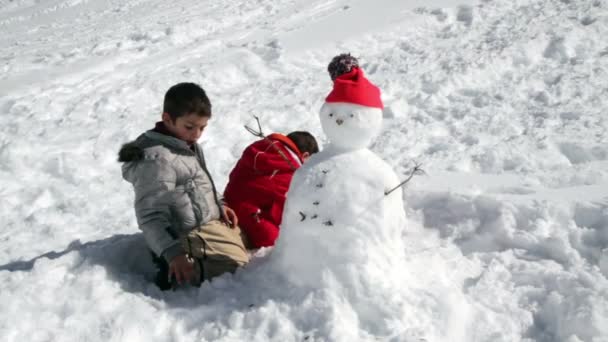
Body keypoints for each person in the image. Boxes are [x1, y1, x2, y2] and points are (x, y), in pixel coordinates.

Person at [118, 82, 249, 290]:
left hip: (203, 221)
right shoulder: (158, 161)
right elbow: (150, 216)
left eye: (202, 127)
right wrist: (173, 253)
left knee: (248, 238)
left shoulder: (184, 144)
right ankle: (175, 270)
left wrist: (220, 204)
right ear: (167, 119)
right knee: (237, 266)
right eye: (190, 126)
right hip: (184, 233)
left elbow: (200, 182)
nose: (197, 134)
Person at [223, 132, 319, 248]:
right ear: (305, 156)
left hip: (227, 202)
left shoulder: (259, 148)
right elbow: (284, 207)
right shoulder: (290, 169)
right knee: (276, 240)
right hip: (248, 215)